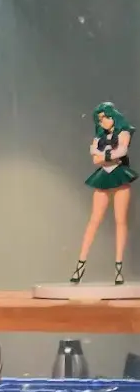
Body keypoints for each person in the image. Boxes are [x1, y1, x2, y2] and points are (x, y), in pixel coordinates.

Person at [71, 102, 137, 286]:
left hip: (120, 175)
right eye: (99, 120)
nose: (103, 122)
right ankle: (80, 264)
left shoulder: (123, 132)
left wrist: (105, 156)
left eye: (105, 117)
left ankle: (118, 267)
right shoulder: (99, 137)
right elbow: (95, 157)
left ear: (113, 116)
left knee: (120, 221)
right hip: (104, 176)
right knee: (94, 220)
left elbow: (122, 151)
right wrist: (108, 156)